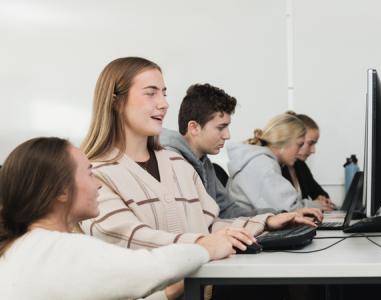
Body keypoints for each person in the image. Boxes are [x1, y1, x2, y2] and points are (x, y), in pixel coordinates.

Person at [78, 57, 315, 298]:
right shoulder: (95, 173)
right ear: (116, 102)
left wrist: (266, 223)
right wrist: (203, 244)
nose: (164, 104)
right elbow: (130, 239)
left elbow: (211, 224)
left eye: (164, 93)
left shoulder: (177, 165)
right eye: (151, 93)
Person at [0, 137, 234, 300]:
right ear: (61, 190)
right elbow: (153, 267)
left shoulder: (23, 248)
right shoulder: (59, 250)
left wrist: (170, 293)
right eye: (90, 173)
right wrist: (207, 246)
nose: (98, 183)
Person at [160, 83, 322, 219]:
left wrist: (275, 217)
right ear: (194, 127)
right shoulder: (170, 163)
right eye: (221, 127)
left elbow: (228, 211)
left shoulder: (204, 163)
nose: (227, 135)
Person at [227, 112, 317, 212]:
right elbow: (290, 209)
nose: (299, 151)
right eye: (299, 144)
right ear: (285, 142)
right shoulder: (263, 165)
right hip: (246, 225)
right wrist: (317, 206)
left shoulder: (263, 161)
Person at [281, 112, 336, 211]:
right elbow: (285, 207)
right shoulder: (274, 167)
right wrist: (315, 205)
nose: (313, 150)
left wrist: (322, 200)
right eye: (310, 143)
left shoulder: (300, 165)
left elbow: (320, 194)